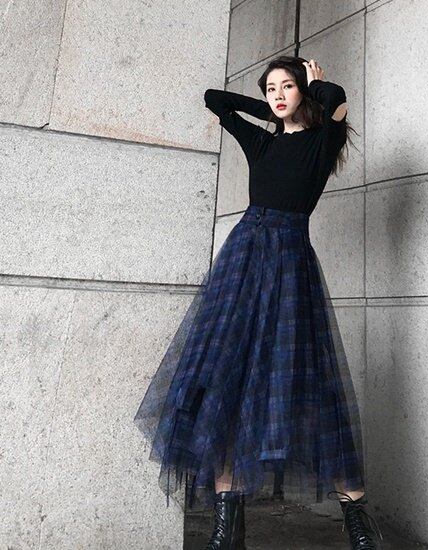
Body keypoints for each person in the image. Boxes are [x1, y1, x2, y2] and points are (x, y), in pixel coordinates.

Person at [133, 55, 383, 550]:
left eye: (287, 86)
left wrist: (312, 89)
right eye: (271, 88)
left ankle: (357, 519)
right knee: (225, 382)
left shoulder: (323, 139)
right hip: (244, 259)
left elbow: (335, 100)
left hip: (289, 263)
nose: (278, 95)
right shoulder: (263, 141)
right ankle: (228, 527)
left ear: (304, 90)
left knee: (309, 387)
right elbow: (215, 100)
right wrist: (271, 110)